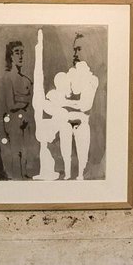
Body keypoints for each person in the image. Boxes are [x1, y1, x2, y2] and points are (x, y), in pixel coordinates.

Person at [32, 31, 98, 180]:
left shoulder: (92, 79)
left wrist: (63, 103)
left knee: (82, 151)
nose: (75, 54)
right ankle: (67, 174)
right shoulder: (70, 74)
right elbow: (60, 92)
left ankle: (80, 175)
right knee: (66, 150)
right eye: (74, 50)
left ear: (88, 49)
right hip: (66, 121)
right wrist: (56, 101)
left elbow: (85, 105)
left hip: (81, 121)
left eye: (78, 49)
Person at [0, 40, 37, 180]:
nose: (20, 56)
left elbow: (33, 102)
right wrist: (25, 101)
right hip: (13, 122)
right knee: (16, 152)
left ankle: (23, 178)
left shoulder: (27, 80)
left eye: (22, 52)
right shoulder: (7, 78)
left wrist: (23, 101)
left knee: (25, 152)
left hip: (26, 121)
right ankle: (17, 180)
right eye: (17, 52)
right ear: (10, 56)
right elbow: (11, 104)